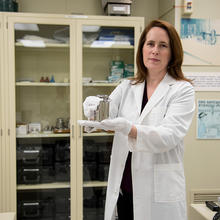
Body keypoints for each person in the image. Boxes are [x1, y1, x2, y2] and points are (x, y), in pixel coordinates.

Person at [78, 19, 195, 220]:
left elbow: (168, 136)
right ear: (142, 49)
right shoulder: (127, 86)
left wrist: (129, 128)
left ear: (173, 52)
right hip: (125, 192)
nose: (155, 50)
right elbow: (107, 110)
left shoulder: (181, 90)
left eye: (163, 45)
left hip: (158, 196)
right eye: (150, 44)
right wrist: (93, 106)